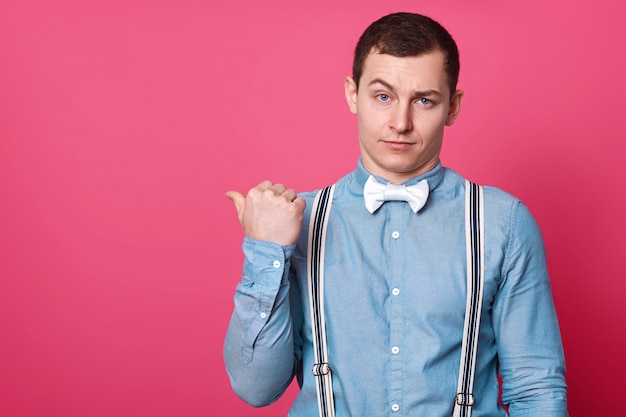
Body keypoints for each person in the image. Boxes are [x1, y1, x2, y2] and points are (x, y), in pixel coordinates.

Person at [224, 12, 568, 417]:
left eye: (423, 100)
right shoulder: (299, 221)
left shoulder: (504, 223)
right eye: (383, 96)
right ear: (353, 94)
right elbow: (255, 387)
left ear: (452, 107)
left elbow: (537, 389)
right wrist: (266, 251)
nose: (401, 123)